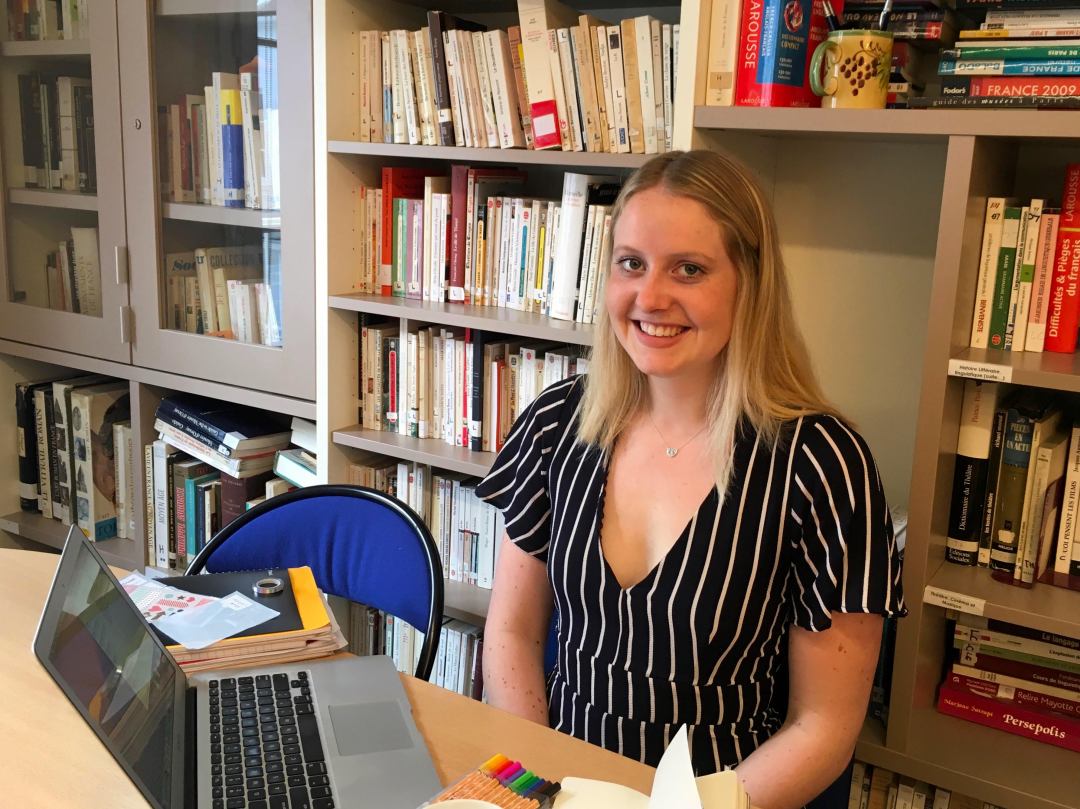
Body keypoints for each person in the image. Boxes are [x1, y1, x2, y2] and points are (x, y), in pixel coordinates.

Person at [475, 149, 906, 809]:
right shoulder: (556, 424)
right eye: (631, 263)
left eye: (689, 269)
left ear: (749, 284)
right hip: (561, 790)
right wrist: (539, 785)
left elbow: (823, 726)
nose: (650, 298)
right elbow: (512, 633)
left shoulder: (821, 463)